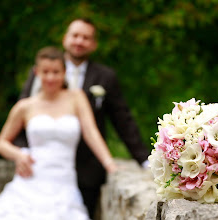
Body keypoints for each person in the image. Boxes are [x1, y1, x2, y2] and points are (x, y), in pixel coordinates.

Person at [16, 18, 150, 218]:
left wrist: (144, 160)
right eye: (75, 35)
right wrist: (22, 152)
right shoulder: (42, 72)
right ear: (65, 39)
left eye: (86, 37)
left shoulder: (106, 77)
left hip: (89, 169)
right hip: (41, 168)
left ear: (94, 44)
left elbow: (123, 120)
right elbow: (23, 117)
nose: (79, 41)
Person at [0, 46, 117, 220]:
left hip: (64, 183)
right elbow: (1, 142)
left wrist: (110, 165)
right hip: (31, 179)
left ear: (64, 72)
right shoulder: (25, 106)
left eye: (56, 72)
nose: (51, 77)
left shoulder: (77, 98)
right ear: (36, 72)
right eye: (45, 72)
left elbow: (91, 133)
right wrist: (18, 155)